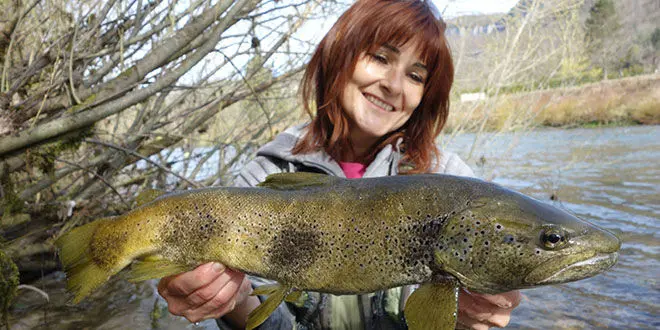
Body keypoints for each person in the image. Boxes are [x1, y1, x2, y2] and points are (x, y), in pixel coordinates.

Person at [157, 0, 522, 329]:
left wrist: (474, 315)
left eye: (415, 75)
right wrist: (229, 301)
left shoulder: (450, 180)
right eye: (380, 57)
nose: (394, 85)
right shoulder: (266, 177)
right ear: (339, 56)